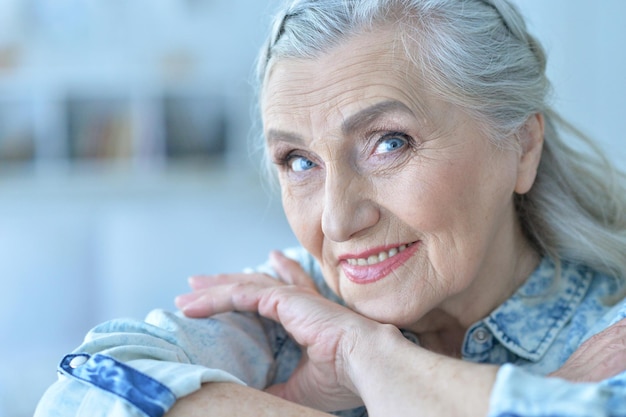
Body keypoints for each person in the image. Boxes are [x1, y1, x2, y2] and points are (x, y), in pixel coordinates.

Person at [35, 0, 626, 416]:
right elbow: (79, 396)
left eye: (390, 143)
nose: (338, 221)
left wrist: (367, 359)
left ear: (522, 146)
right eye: (299, 162)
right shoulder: (294, 310)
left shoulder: (611, 335)